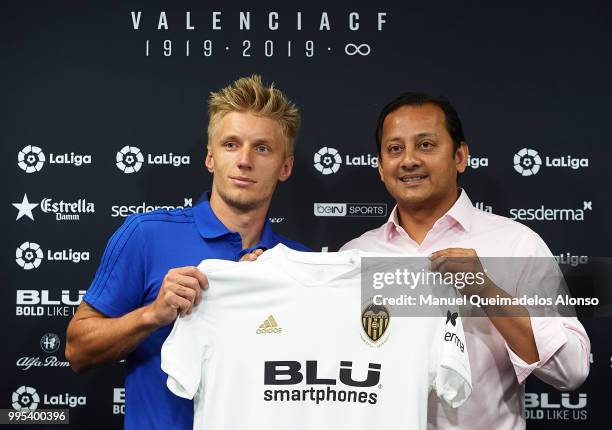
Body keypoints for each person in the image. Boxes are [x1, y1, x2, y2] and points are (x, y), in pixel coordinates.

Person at [65, 75, 309, 430]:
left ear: (285, 167)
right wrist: (154, 314)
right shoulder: (146, 235)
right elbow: (77, 350)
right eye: (230, 144)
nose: (244, 160)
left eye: (262, 148)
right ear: (210, 158)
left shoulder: (299, 262)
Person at [340, 92, 590, 429]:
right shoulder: (353, 257)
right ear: (381, 168)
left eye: (425, 145)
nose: (409, 160)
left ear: (460, 156)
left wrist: (487, 291)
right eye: (394, 149)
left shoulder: (516, 245)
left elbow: (571, 370)